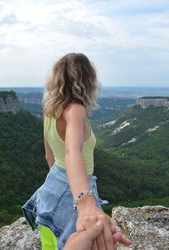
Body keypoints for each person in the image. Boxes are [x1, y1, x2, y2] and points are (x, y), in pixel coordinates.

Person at [22, 53, 131, 250]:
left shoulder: (49, 109)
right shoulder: (76, 109)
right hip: (75, 192)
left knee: (50, 245)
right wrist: (85, 201)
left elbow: (50, 156)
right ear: (87, 79)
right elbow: (73, 152)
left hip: (51, 188)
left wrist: (61, 184)